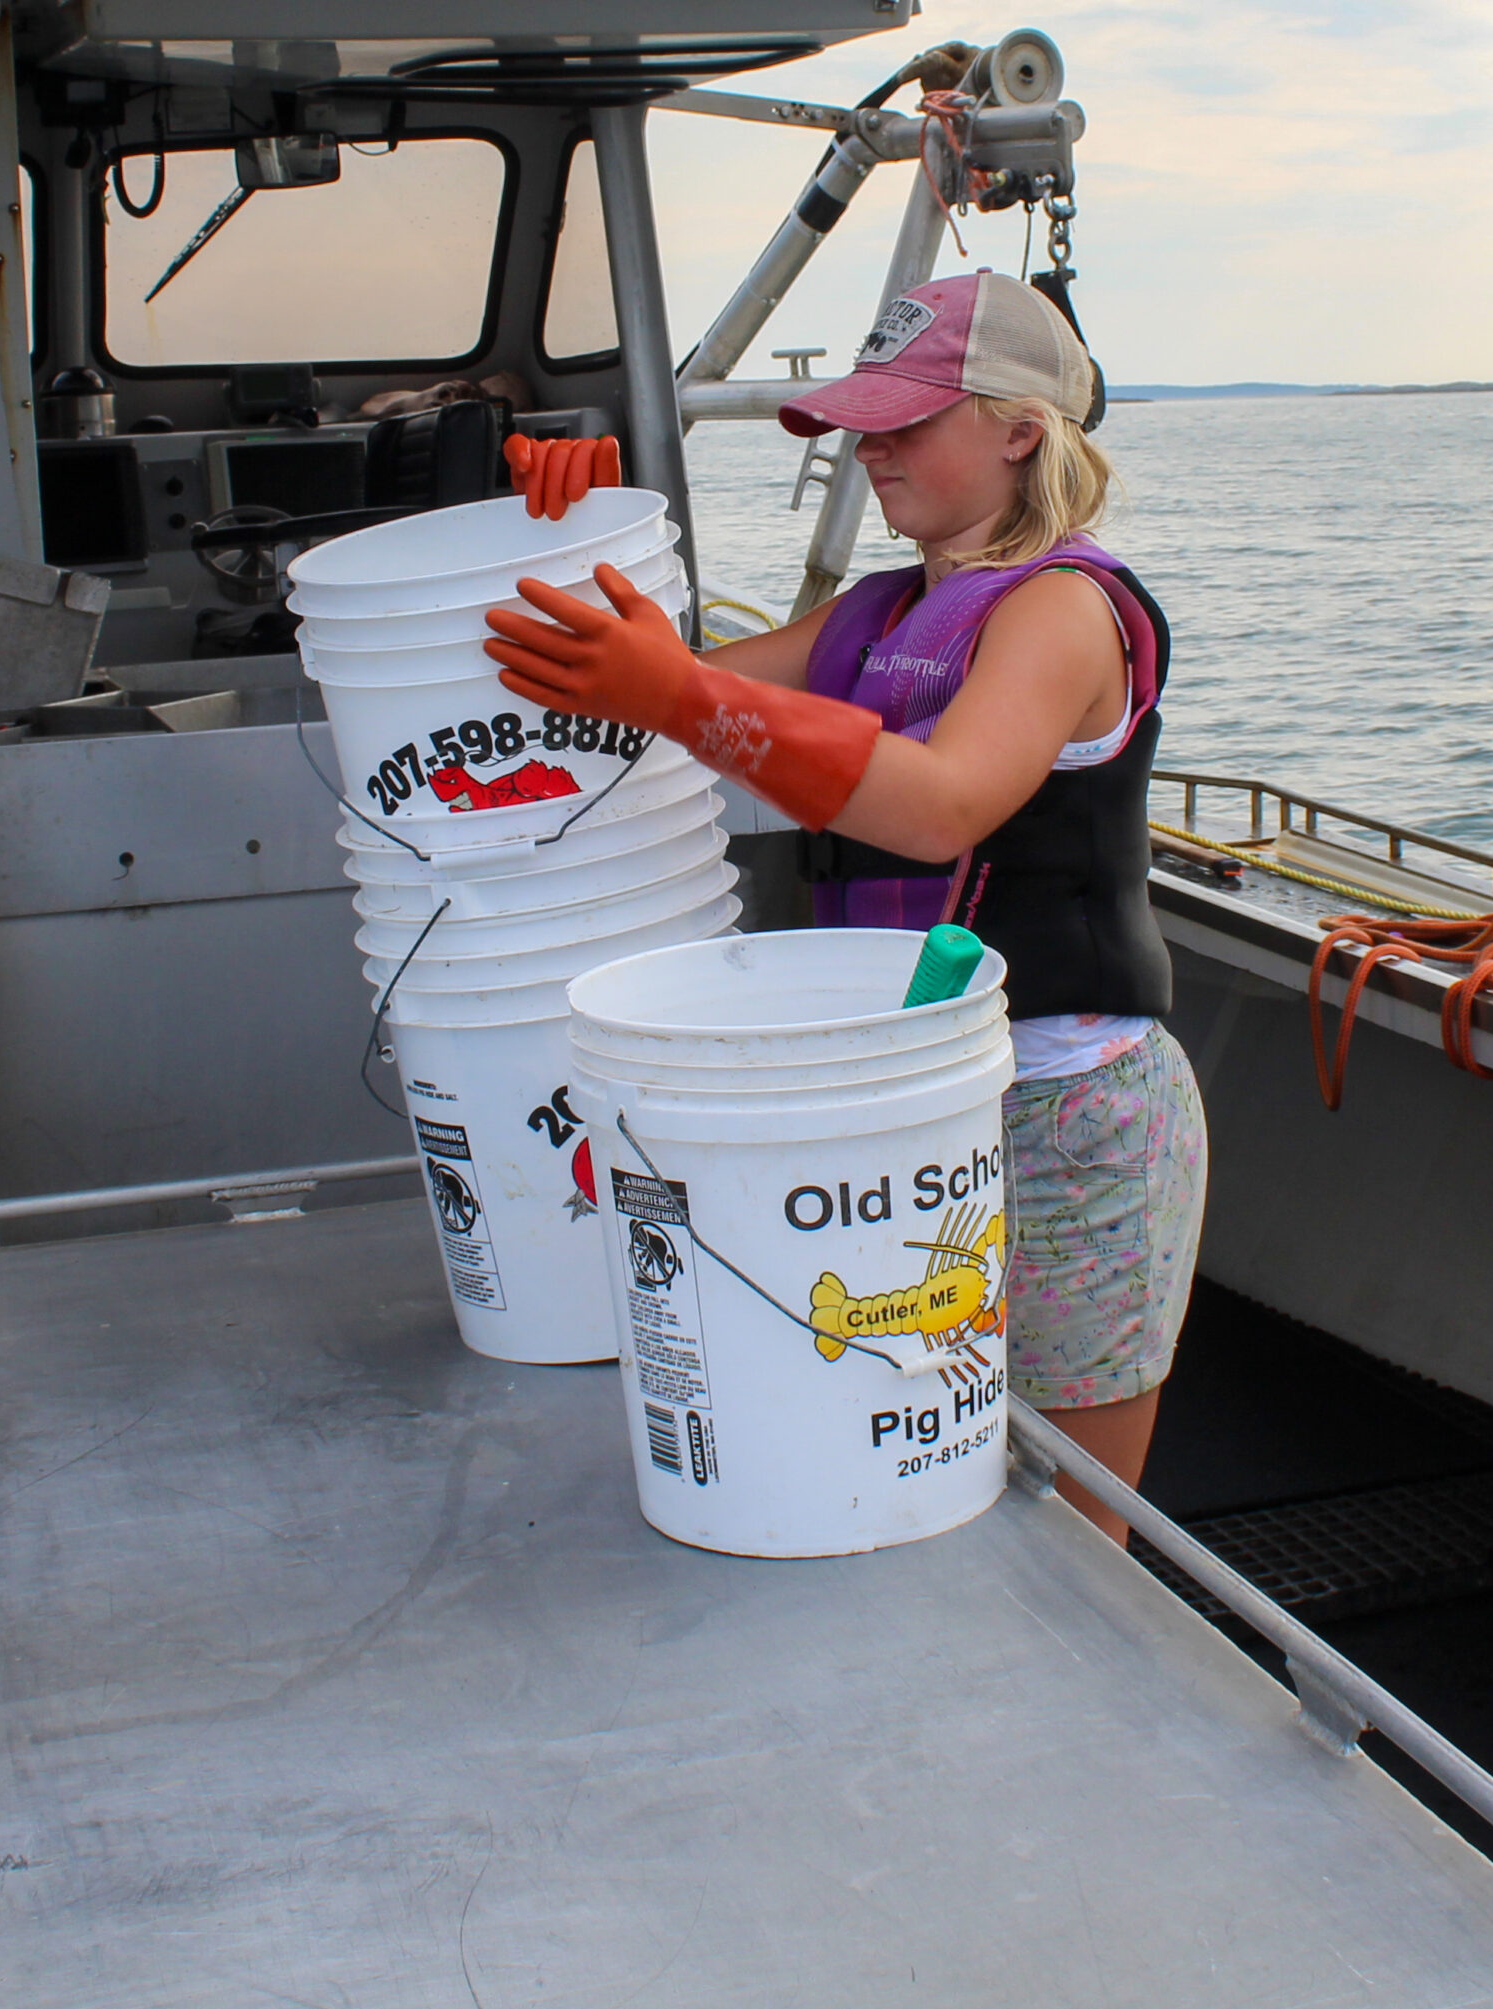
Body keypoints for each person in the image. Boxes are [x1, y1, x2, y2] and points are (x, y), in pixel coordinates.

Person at [487, 270, 1204, 1536]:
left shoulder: (1064, 608)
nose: (871, 448)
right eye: (861, 421)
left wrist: (673, 693)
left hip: (1065, 1114)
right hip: (895, 1109)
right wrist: (577, 538)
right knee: (899, 1452)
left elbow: (937, 805)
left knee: (1071, 1520)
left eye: (905, 418)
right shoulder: (875, 615)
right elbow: (637, 686)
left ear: (1021, 427)